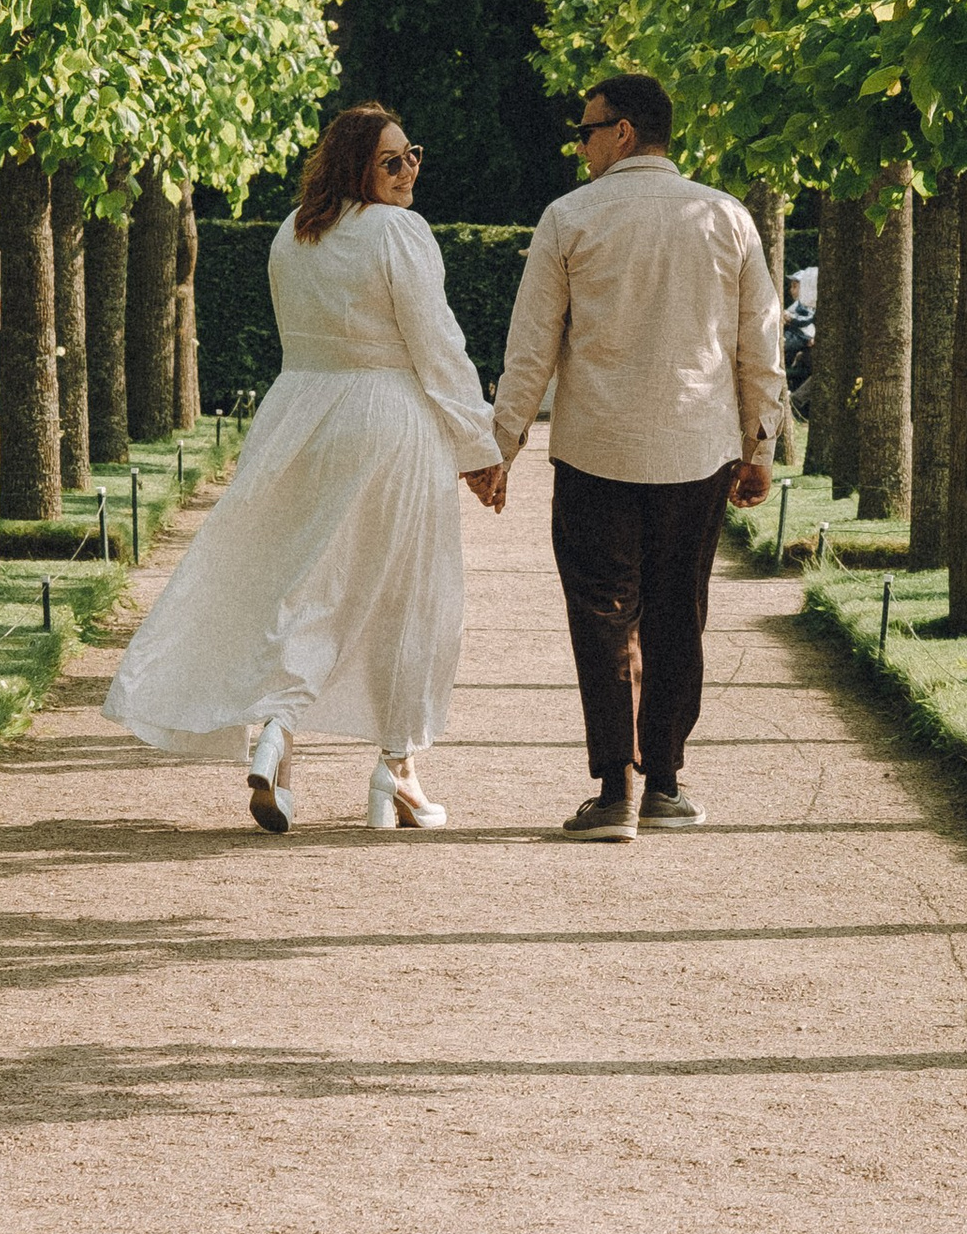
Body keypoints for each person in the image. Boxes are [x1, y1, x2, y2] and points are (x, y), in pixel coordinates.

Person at [105, 104, 503, 832]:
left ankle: (279, 734)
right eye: (391, 161)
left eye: (413, 154)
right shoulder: (397, 233)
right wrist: (479, 449)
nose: (409, 169)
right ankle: (394, 768)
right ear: (357, 167)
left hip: (300, 415)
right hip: (388, 419)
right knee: (407, 593)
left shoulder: (294, 232)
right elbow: (437, 347)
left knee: (307, 582)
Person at [485, 71, 783, 838]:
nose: (579, 145)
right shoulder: (727, 219)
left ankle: (614, 786)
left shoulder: (569, 219)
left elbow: (531, 351)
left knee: (602, 615)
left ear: (622, 133)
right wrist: (760, 444)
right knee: (679, 613)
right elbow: (758, 346)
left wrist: (503, 446)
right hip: (696, 450)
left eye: (586, 131)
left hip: (595, 451)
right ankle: (667, 784)